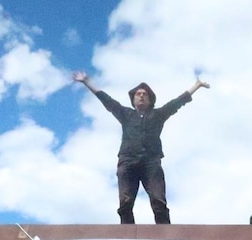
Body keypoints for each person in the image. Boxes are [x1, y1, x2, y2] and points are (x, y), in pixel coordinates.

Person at [74, 71, 210, 224]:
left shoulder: (158, 115)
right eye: (138, 94)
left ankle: (165, 234)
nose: (141, 96)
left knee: (159, 201)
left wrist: (196, 86)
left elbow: (177, 102)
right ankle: (127, 234)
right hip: (127, 161)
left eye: (144, 94)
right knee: (125, 203)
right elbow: (107, 101)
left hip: (151, 162)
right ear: (133, 99)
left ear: (150, 100)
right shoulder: (126, 114)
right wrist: (87, 82)